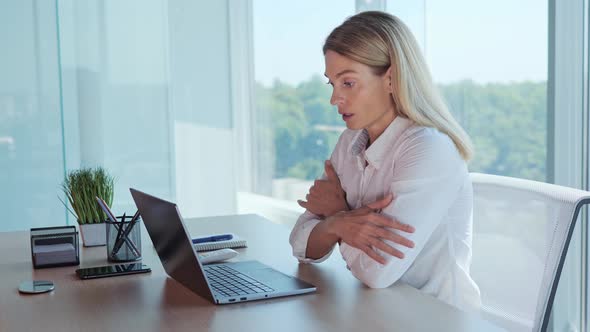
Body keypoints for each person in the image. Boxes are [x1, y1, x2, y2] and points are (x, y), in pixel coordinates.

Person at [289, 11, 481, 311]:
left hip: (434, 319)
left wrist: (336, 213)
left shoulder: (429, 150)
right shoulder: (349, 143)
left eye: (348, 83)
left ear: (391, 79)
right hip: (376, 311)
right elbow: (301, 246)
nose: (334, 99)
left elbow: (377, 272)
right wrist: (337, 224)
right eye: (332, 84)